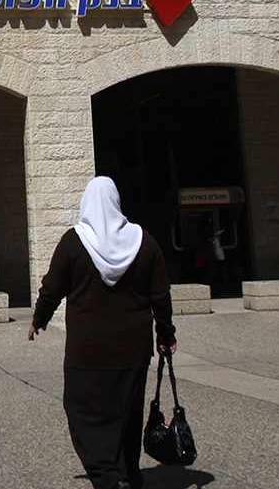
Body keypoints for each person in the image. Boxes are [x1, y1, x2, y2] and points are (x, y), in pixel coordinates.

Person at [29, 177, 177, 489]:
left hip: (88, 351)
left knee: (84, 411)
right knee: (127, 411)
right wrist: (166, 334)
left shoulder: (74, 242)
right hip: (134, 349)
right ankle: (126, 472)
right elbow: (160, 296)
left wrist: (39, 320)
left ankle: (107, 476)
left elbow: (52, 288)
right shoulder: (144, 242)